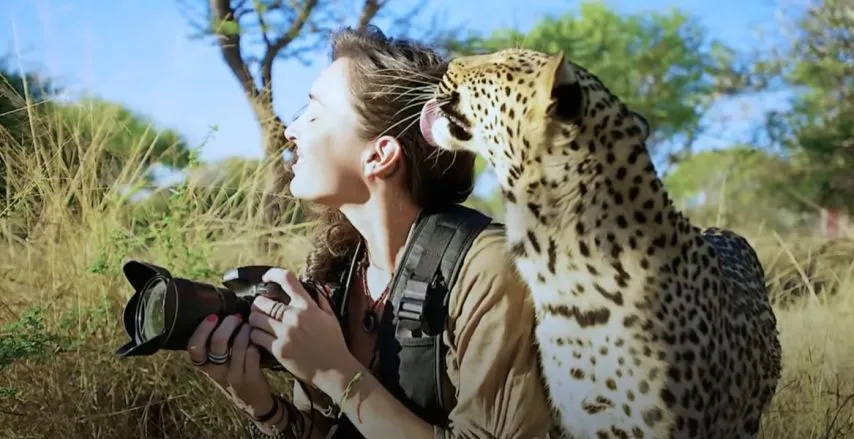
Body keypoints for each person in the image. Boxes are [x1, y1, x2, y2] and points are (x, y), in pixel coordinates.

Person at [184, 25, 557, 439]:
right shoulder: (337, 272)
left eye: (314, 112)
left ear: (379, 155)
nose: (292, 131)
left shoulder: (488, 266)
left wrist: (336, 373)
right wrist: (265, 408)